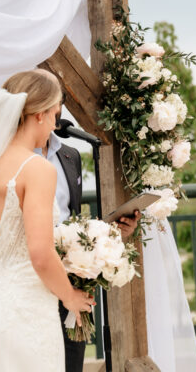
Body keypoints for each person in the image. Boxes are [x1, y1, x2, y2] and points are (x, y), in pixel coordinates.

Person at [0, 69, 95, 371]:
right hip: (27, 314)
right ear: (39, 114)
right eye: (55, 115)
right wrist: (70, 297)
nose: (56, 124)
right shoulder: (37, 168)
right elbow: (40, 254)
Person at [40, 102, 139, 372]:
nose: (57, 109)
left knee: (72, 363)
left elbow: (71, 218)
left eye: (58, 102)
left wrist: (111, 234)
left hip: (74, 280)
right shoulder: (17, 159)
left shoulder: (70, 155)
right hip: (34, 279)